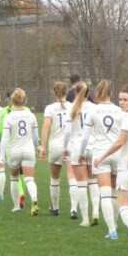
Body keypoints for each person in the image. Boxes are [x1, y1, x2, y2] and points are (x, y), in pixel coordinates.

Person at [93, 82, 128, 250]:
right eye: (120, 99)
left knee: (123, 205)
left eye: (125, 99)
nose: (121, 102)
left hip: (127, 165)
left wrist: (102, 156)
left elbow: (120, 142)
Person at [79, 81, 124, 240]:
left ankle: (112, 230)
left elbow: (85, 137)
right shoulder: (120, 111)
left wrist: (81, 153)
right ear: (111, 93)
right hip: (117, 154)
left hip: (100, 155)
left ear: (97, 94)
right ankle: (116, 223)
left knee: (104, 194)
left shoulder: (93, 110)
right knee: (114, 192)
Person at [0, 88, 40, 215]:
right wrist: (38, 148)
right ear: (24, 100)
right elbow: (35, 137)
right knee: (29, 179)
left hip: (14, 151)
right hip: (28, 151)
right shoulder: (31, 115)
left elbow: (5, 138)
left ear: (11, 101)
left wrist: (1, 155)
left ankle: (16, 206)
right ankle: (34, 199)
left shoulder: (8, 117)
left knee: (14, 179)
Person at [39, 81, 74, 217]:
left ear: (54, 93)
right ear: (67, 92)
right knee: (72, 178)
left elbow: (46, 127)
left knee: (55, 179)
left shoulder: (50, 108)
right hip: (70, 146)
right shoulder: (73, 107)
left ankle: (55, 208)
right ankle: (74, 209)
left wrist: (42, 146)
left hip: (55, 146)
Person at [63, 82, 95, 226]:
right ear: (89, 94)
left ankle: (86, 219)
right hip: (93, 147)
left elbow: (68, 132)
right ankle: (96, 211)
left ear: (75, 93)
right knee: (93, 182)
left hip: (77, 148)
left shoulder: (71, 108)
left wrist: (65, 147)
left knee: (81, 184)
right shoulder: (96, 108)